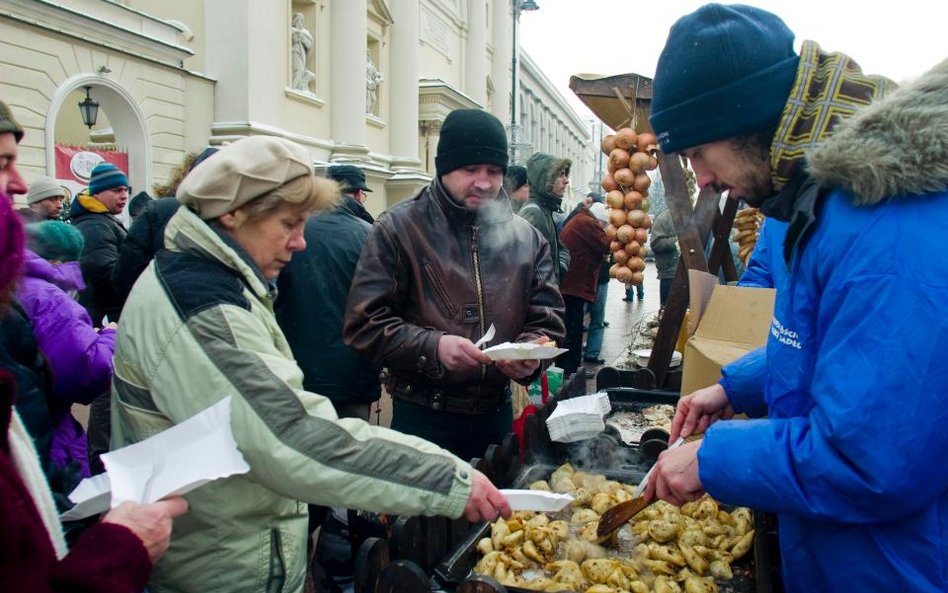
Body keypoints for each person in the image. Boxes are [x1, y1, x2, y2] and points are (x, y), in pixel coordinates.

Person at [110, 135, 511, 593]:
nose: (301, 242)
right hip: (217, 566)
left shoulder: (217, 279)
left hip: (227, 545)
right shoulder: (202, 307)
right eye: (288, 223)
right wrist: (451, 480)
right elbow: (293, 438)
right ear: (233, 214)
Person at [644, 5, 947, 592]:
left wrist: (714, 458)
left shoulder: (887, 225)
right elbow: (833, 344)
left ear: (747, 119)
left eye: (699, 153)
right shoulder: (819, 204)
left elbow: (869, 461)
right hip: (844, 554)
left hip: (897, 568)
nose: (700, 179)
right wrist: (736, 385)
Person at [0, 97, 188, 592]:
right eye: (4, 165)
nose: (18, 185)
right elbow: (85, 371)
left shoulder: (30, 289)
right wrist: (120, 549)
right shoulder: (47, 294)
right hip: (60, 460)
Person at [344, 109, 566, 462]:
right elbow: (363, 325)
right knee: (423, 517)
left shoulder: (527, 238)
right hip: (423, 416)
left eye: (493, 171)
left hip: (495, 415)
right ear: (444, 167)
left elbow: (547, 319)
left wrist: (528, 355)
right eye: (470, 169)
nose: (483, 181)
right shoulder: (399, 228)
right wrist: (433, 347)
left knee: (493, 516)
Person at [276, 163, 378, 592]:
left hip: (295, 374)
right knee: (349, 466)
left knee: (301, 471)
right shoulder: (367, 237)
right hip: (352, 374)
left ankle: (299, 558)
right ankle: (342, 566)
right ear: (356, 195)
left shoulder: (293, 234)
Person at [17, 222, 116, 495]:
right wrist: (110, 337)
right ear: (62, 260)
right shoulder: (48, 296)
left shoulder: (16, 284)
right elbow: (86, 372)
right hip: (48, 436)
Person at [69, 161, 129, 325]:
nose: (124, 195)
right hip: (105, 318)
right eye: (117, 190)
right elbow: (106, 274)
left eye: (125, 190)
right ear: (96, 194)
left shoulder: (103, 220)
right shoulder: (94, 225)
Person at [557, 199, 610, 377]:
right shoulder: (588, 222)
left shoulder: (582, 219)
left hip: (570, 284)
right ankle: (569, 370)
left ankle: (570, 368)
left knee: (573, 328)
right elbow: (607, 244)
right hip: (572, 286)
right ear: (600, 220)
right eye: (604, 224)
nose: (603, 228)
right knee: (573, 329)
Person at [520, 151, 571, 282]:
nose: (566, 180)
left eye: (565, 174)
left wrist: (560, 266)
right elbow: (531, 274)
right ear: (545, 179)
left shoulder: (545, 210)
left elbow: (560, 250)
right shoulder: (534, 213)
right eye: (560, 175)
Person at [647, 208, 679, 307]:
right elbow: (656, 244)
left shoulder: (689, 214)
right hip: (669, 272)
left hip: (687, 272)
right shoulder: (663, 218)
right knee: (667, 309)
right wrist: (677, 241)